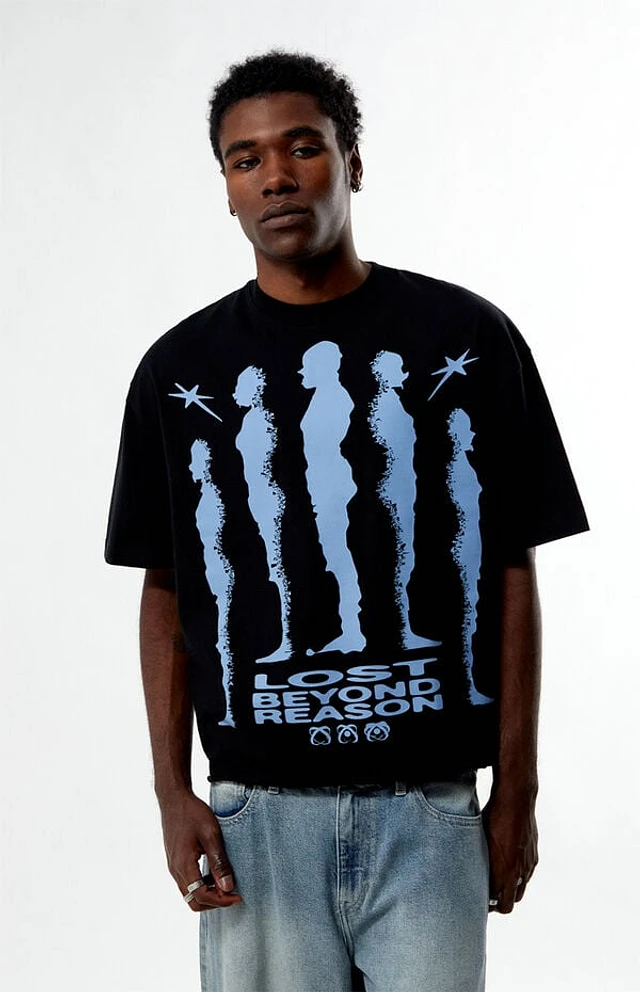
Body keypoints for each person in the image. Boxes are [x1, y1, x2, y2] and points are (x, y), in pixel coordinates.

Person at [105, 50, 589, 992]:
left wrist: (517, 788)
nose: (275, 177)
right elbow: (167, 587)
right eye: (245, 159)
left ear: (352, 162)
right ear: (226, 190)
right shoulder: (178, 369)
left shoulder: (468, 337)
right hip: (258, 815)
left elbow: (510, 570)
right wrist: (172, 792)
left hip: (430, 810)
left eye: (303, 147)